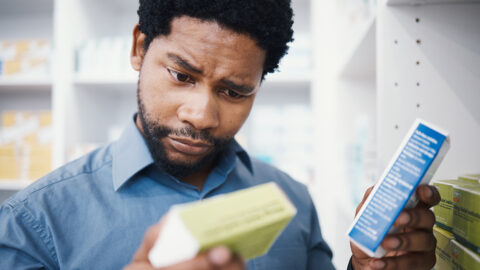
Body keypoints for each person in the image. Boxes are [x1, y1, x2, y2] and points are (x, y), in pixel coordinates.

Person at [0, 1, 439, 269]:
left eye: (234, 91)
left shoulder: (293, 203)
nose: (201, 115)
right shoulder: (32, 222)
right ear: (139, 48)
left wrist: (370, 267)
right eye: (180, 75)